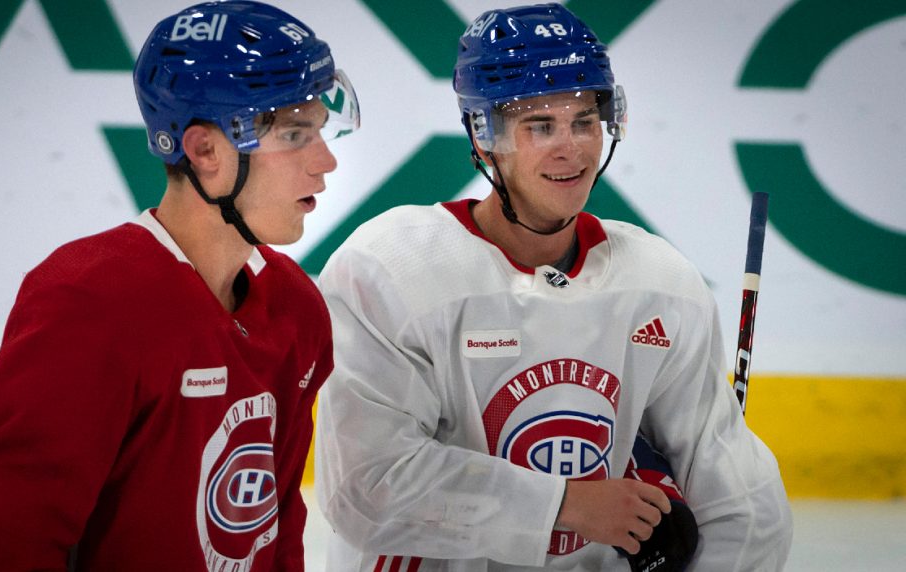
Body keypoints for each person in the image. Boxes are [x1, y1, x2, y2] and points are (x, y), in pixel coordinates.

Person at [313, 3, 791, 571]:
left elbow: (743, 501)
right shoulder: (389, 268)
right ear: (483, 136)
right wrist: (566, 504)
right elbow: (368, 489)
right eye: (540, 125)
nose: (573, 148)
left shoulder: (660, 283)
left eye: (585, 121)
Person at [0, 2, 359, 570]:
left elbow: (272, 529)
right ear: (205, 150)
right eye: (294, 134)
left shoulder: (297, 307)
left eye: (320, 131)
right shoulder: (89, 300)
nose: (325, 161)